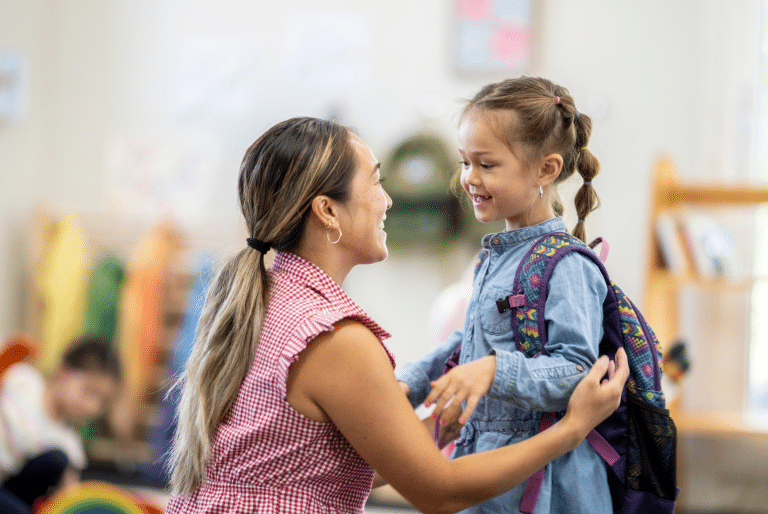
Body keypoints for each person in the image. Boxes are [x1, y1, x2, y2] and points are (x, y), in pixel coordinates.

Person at [166, 116, 629, 514]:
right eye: (375, 182)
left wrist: (426, 432)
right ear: (327, 211)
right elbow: (437, 492)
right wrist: (571, 429)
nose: (388, 201)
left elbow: (303, 470)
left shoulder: (269, 298)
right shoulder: (334, 338)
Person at [396, 76, 612, 513]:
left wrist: (494, 371)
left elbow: (575, 370)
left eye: (486, 164)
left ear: (545, 170)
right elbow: (471, 344)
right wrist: (412, 382)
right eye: (464, 162)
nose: (468, 178)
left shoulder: (567, 265)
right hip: (486, 461)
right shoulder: (494, 259)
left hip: (547, 483)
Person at [0, 335, 120, 514]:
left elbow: (70, 497)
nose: (92, 406)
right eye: (88, 390)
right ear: (63, 371)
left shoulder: (70, 445)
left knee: (59, 458)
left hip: (9, 487)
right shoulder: (23, 380)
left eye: (102, 401)